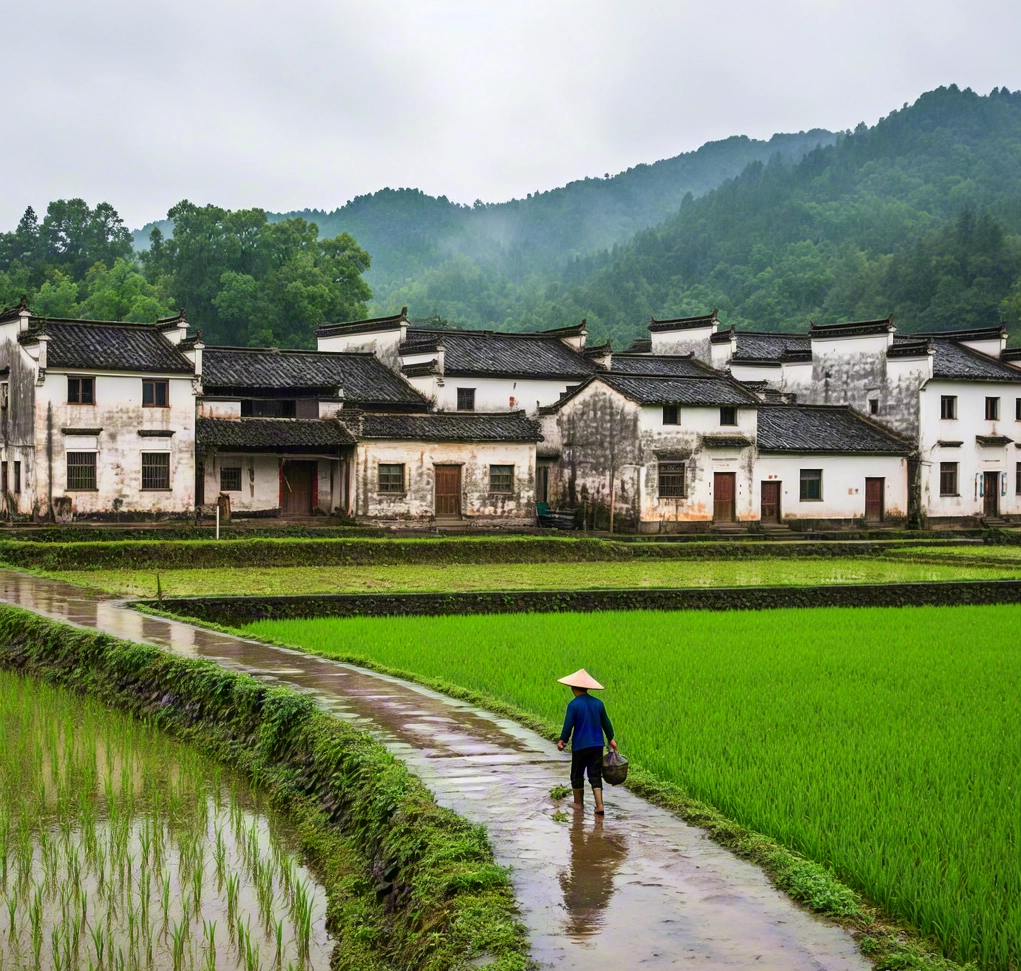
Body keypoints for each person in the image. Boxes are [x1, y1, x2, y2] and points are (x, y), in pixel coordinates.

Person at [556, 668, 617, 815]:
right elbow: (606, 723)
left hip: (580, 746)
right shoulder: (598, 703)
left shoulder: (573, 705)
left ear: (573, 688)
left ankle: (578, 806)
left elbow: (568, 725)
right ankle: (600, 805)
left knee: (577, 774)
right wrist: (611, 738)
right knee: (594, 774)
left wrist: (562, 740)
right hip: (597, 745)